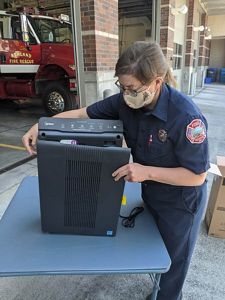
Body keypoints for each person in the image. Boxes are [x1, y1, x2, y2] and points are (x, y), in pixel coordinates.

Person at [22, 41, 209, 300]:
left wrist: (146, 172)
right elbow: (82, 115)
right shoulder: (125, 102)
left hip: (181, 203)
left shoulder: (186, 118)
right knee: (152, 252)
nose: (126, 93)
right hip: (152, 193)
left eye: (132, 88)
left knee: (172, 265)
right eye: (122, 86)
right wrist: (41, 124)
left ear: (156, 81)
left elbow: (197, 175)